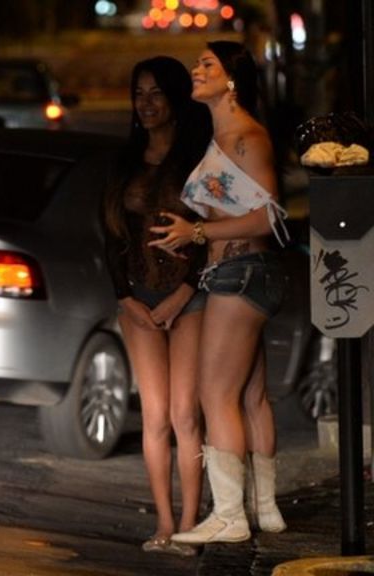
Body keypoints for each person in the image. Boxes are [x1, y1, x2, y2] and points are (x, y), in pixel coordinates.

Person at [149, 41, 290, 544]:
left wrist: (198, 234)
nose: (196, 69)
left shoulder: (248, 136)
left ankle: (229, 516)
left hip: (241, 273)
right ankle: (264, 508)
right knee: (250, 395)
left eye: (207, 64)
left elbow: (270, 215)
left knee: (216, 394)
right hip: (236, 275)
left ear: (231, 79)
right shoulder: (223, 134)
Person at [102, 56, 211, 556]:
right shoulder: (123, 162)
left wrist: (185, 291)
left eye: (155, 94)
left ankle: (190, 523)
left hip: (188, 297)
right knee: (155, 416)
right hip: (138, 301)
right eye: (138, 93)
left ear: (175, 99)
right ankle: (164, 524)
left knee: (187, 414)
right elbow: (108, 237)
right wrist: (125, 297)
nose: (145, 104)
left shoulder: (198, 159)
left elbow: (213, 236)